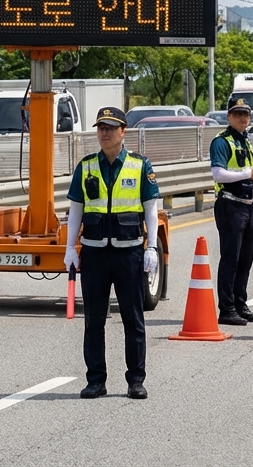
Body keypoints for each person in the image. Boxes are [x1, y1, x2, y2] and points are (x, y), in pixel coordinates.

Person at [64, 106, 160, 400]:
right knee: (94, 321)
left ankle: (136, 380)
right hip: (94, 253)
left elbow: (151, 209)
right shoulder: (86, 166)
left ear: (123, 131)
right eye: (100, 128)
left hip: (129, 252)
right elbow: (76, 210)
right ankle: (95, 380)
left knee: (133, 320)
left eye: (110, 128)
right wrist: (70, 247)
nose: (104, 133)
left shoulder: (139, 165)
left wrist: (152, 247)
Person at [210, 98, 253, 326]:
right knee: (230, 258)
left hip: (249, 203)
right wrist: (245, 174)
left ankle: (240, 305)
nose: (243, 118)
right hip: (230, 204)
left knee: (245, 259)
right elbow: (218, 174)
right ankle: (227, 308)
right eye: (238, 114)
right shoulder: (221, 141)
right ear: (229, 117)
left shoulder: (247, 140)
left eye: (246, 114)